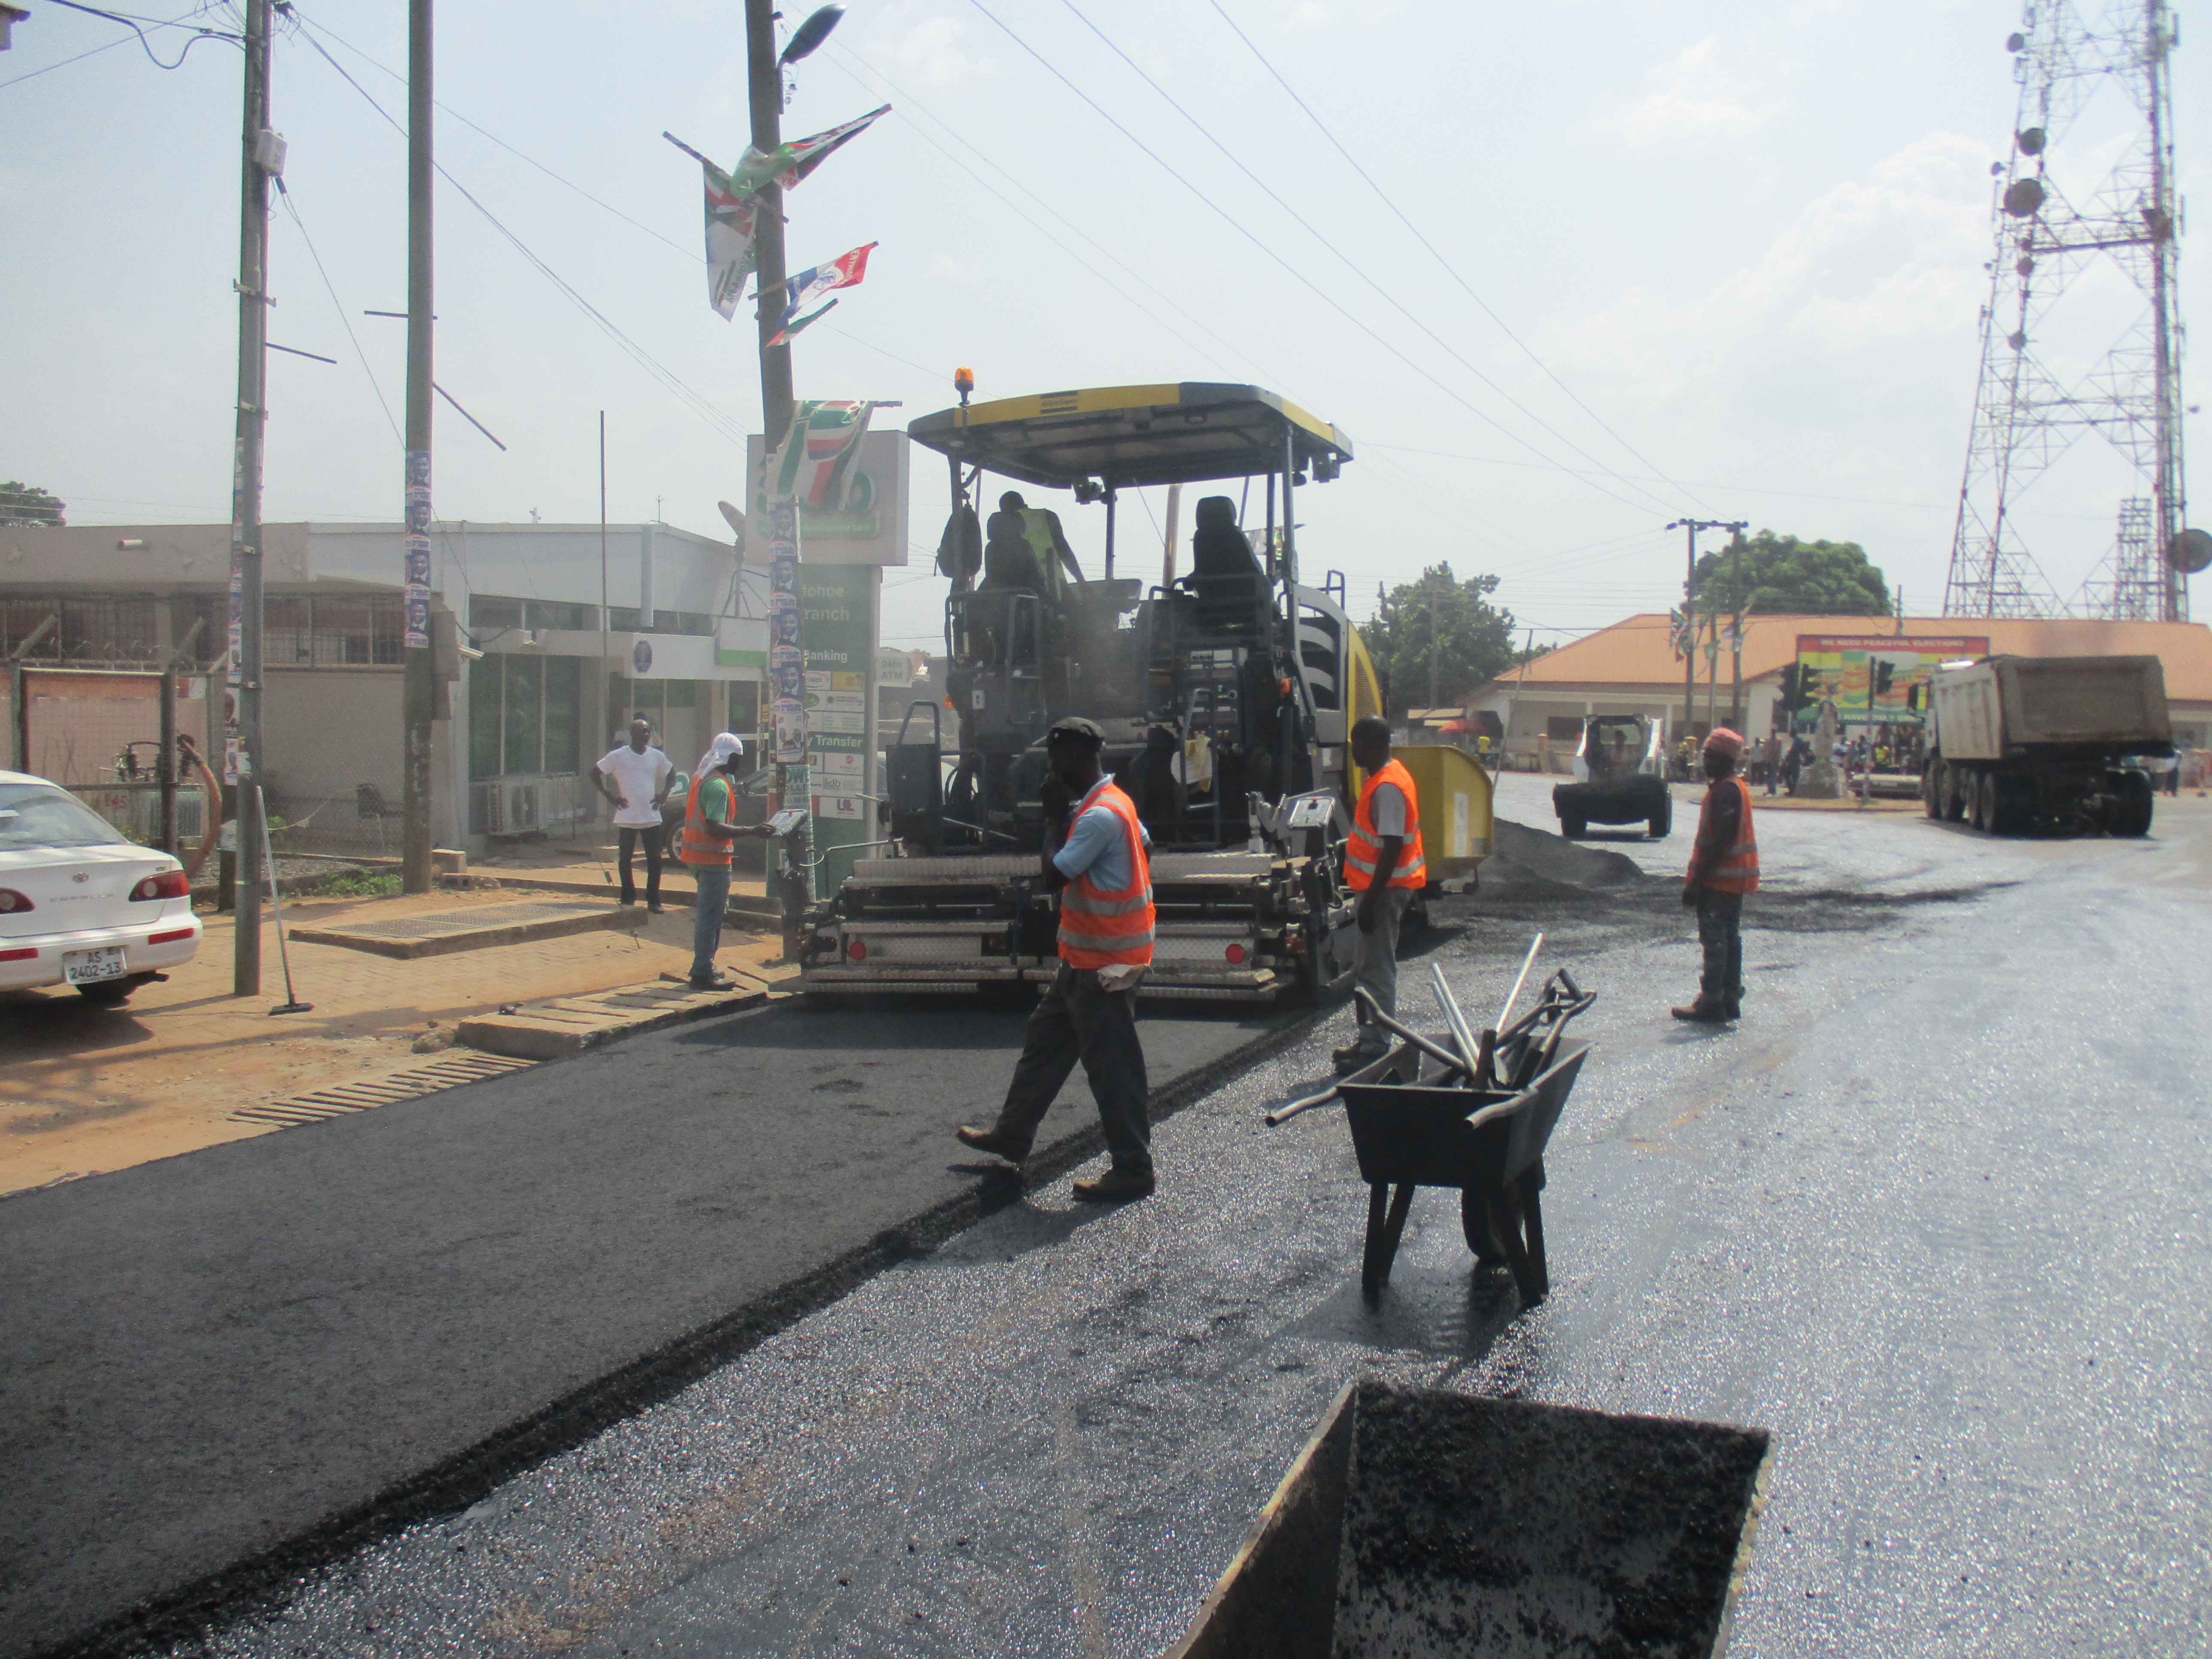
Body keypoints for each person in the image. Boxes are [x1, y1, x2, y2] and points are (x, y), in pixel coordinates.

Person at [956, 717, 1157, 1202]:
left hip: (1105, 967)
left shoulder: (1096, 817)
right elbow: (1146, 845)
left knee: (1113, 1071)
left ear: (1074, 757)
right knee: (1043, 1042)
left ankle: (1133, 1168)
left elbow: (1053, 875)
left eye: (1054, 757)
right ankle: (1012, 1134)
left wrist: (1052, 819)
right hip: (1085, 961)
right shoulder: (1115, 803)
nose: (1049, 768)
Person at [1333, 716, 1427, 1073]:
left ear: (1372, 745)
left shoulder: (1387, 787)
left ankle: (1375, 1045)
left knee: (1376, 967)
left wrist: (1370, 901)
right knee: (1370, 966)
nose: (1353, 752)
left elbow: (1391, 847)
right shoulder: (1388, 778)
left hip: (1384, 892)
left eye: (1356, 744)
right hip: (1382, 889)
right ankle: (1369, 1037)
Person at [675, 732, 774, 990]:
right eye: (738, 758)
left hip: (698, 859)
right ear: (729, 758)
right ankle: (702, 973)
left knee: (709, 915)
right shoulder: (718, 786)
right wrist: (753, 831)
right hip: (713, 861)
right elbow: (715, 827)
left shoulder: (702, 777)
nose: (740, 763)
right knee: (711, 917)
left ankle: (703, 967)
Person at [1673, 728, 1758, 1024]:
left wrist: (1696, 883)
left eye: (1709, 756)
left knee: (1716, 941)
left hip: (1719, 882)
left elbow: (1721, 840)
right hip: (1733, 883)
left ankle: (1712, 1002)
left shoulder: (1725, 792)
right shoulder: (1735, 788)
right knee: (1730, 939)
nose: (1704, 761)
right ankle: (1729, 998)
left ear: (1724, 760)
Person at [595, 719, 674, 912]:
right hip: (628, 816)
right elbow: (594, 773)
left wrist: (664, 794)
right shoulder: (618, 756)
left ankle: (654, 900)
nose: (646, 735)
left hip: (651, 815)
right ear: (633, 734)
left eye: (648, 732)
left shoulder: (656, 756)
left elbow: (672, 773)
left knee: (655, 859)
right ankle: (628, 897)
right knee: (625, 859)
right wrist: (612, 798)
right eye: (642, 732)